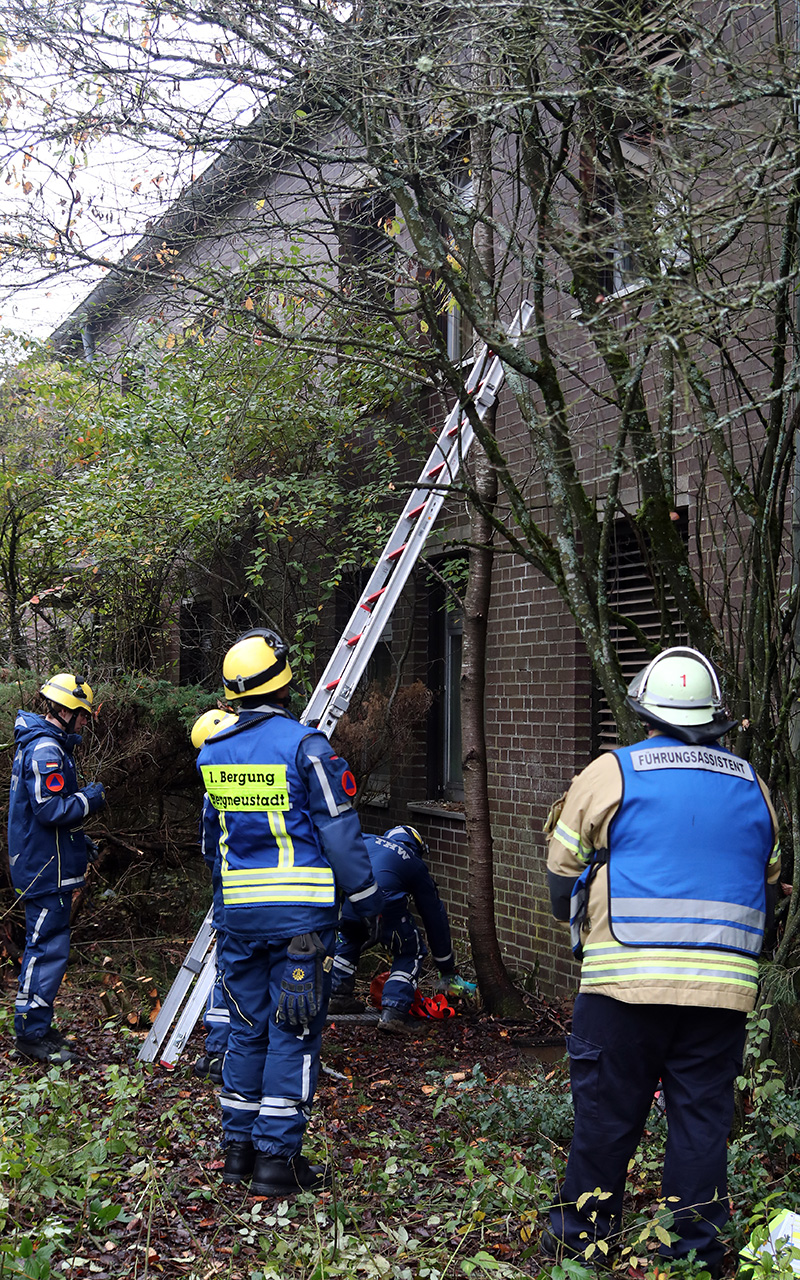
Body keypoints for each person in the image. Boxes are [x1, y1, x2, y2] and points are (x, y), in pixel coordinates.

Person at [543, 647, 781, 1277]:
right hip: (722, 995)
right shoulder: (753, 785)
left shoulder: (611, 772)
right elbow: (771, 883)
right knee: (701, 1126)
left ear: (644, 709)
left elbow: (560, 870)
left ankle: (579, 1246)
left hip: (622, 988)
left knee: (606, 1117)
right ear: (714, 717)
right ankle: (696, 1254)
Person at [197, 628, 384, 1196]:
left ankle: (238, 1152)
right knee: (294, 1032)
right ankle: (277, 1161)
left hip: (239, 920)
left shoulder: (213, 753)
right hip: (300, 922)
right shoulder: (307, 747)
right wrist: (367, 901)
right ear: (283, 683)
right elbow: (340, 833)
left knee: (246, 1031)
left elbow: (213, 842)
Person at [8, 673, 106, 1064]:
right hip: (44, 871)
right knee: (45, 951)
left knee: (49, 949)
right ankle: (30, 1035)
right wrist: (90, 799)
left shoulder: (49, 746)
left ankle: (39, 1026)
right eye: (81, 714)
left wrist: (79, 842)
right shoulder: (47, 750)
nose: (85, 720)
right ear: (63, 710)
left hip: (49, 862)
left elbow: (41, 815)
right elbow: (50, 809)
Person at [328, 824, 473, 1033]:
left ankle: (337, 995)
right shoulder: (413, 862)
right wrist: (446, 967)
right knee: (410, 951)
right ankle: (394, 1012)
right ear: (415, 845)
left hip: (354, 901)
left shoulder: (366, 840)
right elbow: (434, 917)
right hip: (385, 906)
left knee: (350, 937)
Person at [190, 708, 238, 1086]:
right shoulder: (273, 768)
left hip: (233, 895)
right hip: (286, 897)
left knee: (230, 971)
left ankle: (219, 1051)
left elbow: (210, 851)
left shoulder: (214, 792)